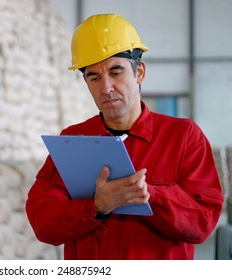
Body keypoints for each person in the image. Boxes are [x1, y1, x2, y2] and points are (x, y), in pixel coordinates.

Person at [25, 13, 224, 260]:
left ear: (139, 72)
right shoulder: (74, 140)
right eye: (93, 77)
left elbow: (202, 223)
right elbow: (43, 222)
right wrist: (96, 206)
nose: (106, 88)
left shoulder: (183, 136)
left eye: (116, 72)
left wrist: (149, 194)